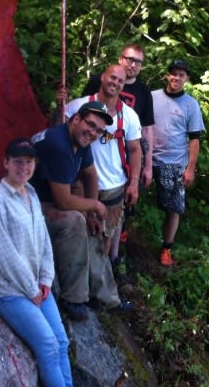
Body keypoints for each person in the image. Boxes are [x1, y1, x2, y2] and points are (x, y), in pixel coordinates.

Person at [0, 137, 72, 387]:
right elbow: (4, 254)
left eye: (29, 162)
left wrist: (45, 279)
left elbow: (43, 241)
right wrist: (32, 289)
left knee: (62, 342)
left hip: (37, 287)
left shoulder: (30, 193)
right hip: (9, 291)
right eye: (18, 162)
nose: (24, 168)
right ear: (6, 163)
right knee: (49, 345)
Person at [31, 101, 127, 321]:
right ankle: (73, 297)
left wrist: (92, 214)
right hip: (27, 206)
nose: (93, 133)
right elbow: (63, 201)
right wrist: (94, 206)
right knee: (74, 220)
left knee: (90, 222)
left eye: (98, 130)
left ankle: (104, 297)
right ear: (76, 119)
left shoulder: (80, 143)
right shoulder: (59, 144)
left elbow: (91, 175)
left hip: (47, 200)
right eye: (90, 125)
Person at [65, 64, 142, 309]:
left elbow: (135, 149)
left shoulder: (128, 116)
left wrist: (134, 183)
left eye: (120, 81)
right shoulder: (77, 106)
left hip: (113, 189)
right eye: (112, 78)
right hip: (80, 185)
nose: (116, 83)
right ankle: (79, 292)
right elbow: (58, 132)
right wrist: (59, 107)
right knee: (78, 239)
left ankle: (93, 295)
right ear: (102, 78)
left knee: (105, 241)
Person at [78, 45, 154, 277]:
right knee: (81, 225)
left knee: (117, 219)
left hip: (120, 167)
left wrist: (146, 166)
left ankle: (112, 263)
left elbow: (146, 132)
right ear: (120, 59)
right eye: (129, 59)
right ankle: (84, 272)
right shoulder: (97, 83)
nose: (132, 64)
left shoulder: (142, 93)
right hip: (86, 169)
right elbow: (75, 116)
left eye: (138, 62)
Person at [151, 59, 206, 266]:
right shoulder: (152, 97)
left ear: (187, 79)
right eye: (173, 73)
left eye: (181, 75)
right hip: (148, 158)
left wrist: (190, 169)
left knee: (174, 207)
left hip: (174, 162)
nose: (176, 77)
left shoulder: (191, 104)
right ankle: (124, 234)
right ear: (167, 75)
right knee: (130, 196)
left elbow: (195, 139)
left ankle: (166, 248)